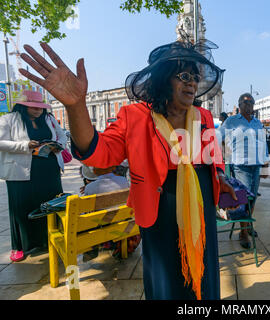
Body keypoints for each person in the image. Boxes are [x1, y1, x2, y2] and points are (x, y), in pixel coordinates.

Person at [19, 40, 237, 300]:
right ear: (163, 79)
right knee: (167, 279)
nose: (192, 83)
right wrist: (75, 106)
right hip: (160, 208)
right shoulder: (134, 116)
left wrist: (221, 177)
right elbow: (97, 152)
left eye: (195, 77)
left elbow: (214, 157)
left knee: (205, 272)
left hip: (202, 205)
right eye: (184, 76)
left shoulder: (204, 117)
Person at [0, 90, 67, 262]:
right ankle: (19, 246)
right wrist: (25, 145)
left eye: (40, 107)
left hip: (49, 168)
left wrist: (57, 146)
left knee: (50, 204)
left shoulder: (49, 119)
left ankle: (49, 239)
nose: (38, 111)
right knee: (21, 207)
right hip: (20, 172)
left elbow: (61, 136)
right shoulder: (9, 119)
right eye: (33, 107)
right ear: (23, 106)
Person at [218, 93, 270, 249]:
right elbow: (217, 137)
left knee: (252, 198)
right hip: (240, 164)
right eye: (245, 102)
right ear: (239, 105)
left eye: (251, 102)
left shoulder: (257, 123)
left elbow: (263, 143)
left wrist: (266, 162)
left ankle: (246, 225)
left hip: (256, 164)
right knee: (244, 198)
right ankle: (243, 233)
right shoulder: (231, 121)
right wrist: (224, 154)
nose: (249, 105)